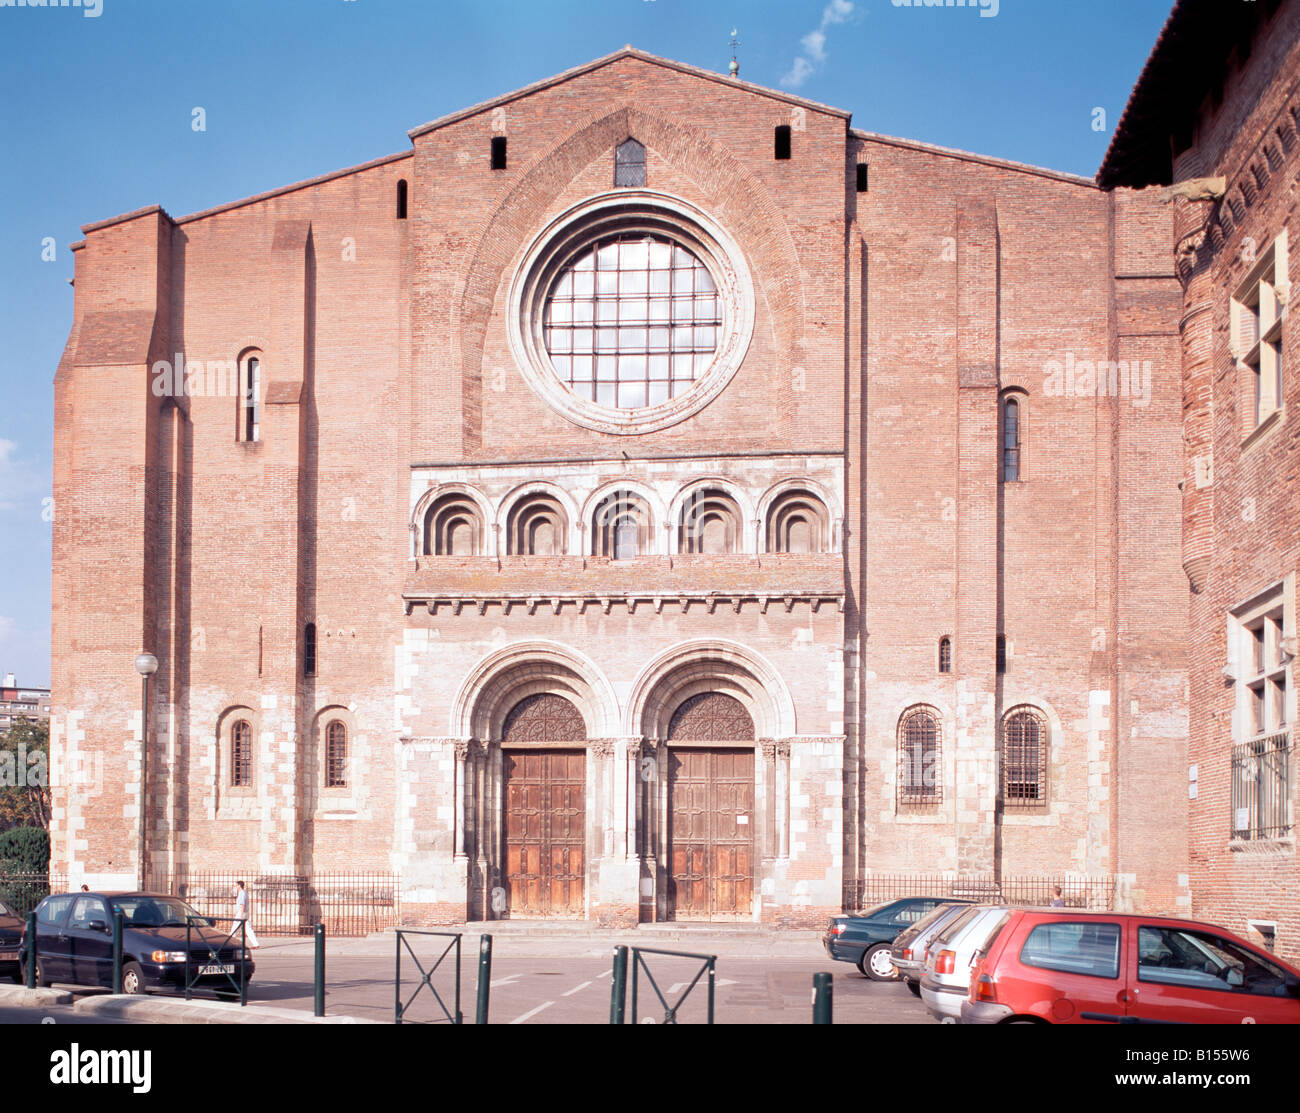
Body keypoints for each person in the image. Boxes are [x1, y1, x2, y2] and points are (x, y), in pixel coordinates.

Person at [232, 880, 260, 948]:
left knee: (235, 927)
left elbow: (242, 904)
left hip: (242, 912)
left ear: (239, 885)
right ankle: (255, 944)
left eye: (236, 885)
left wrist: (241, 914)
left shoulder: (241, 893)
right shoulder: (244, 892)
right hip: (245, 912)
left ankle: (230, 941)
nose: (235, 886)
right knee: (248, 928)